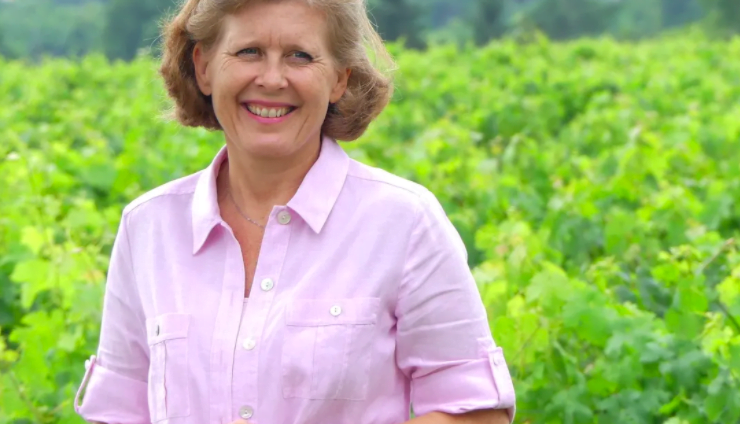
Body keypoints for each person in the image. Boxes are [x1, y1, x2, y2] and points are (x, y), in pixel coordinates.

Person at [73, 0, 517, 423]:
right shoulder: (147, 227)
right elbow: (118, 417)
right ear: (204, 67)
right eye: (248, 52)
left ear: (340, 80)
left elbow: (479, 413)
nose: (271, 78)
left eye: (300, 57)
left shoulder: (403, 222)